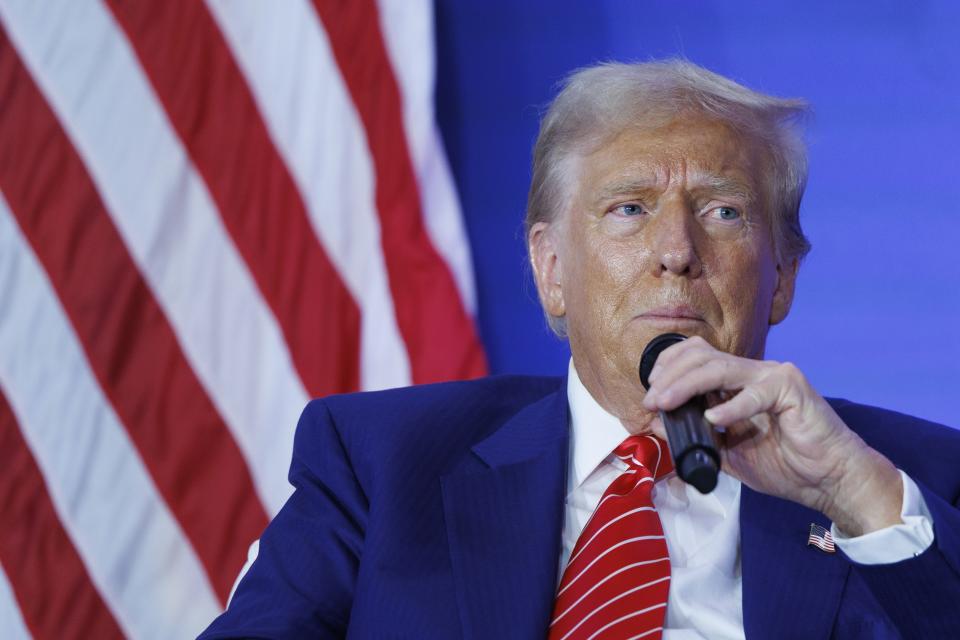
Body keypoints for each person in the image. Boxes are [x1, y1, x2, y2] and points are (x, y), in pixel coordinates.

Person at [200, 60, 960, 639]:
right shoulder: (382, 463)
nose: (676, 251)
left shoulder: (909, 486)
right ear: (551, 269)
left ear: (783, 278)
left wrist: (854, 495)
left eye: (723, 211)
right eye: (629, 208)